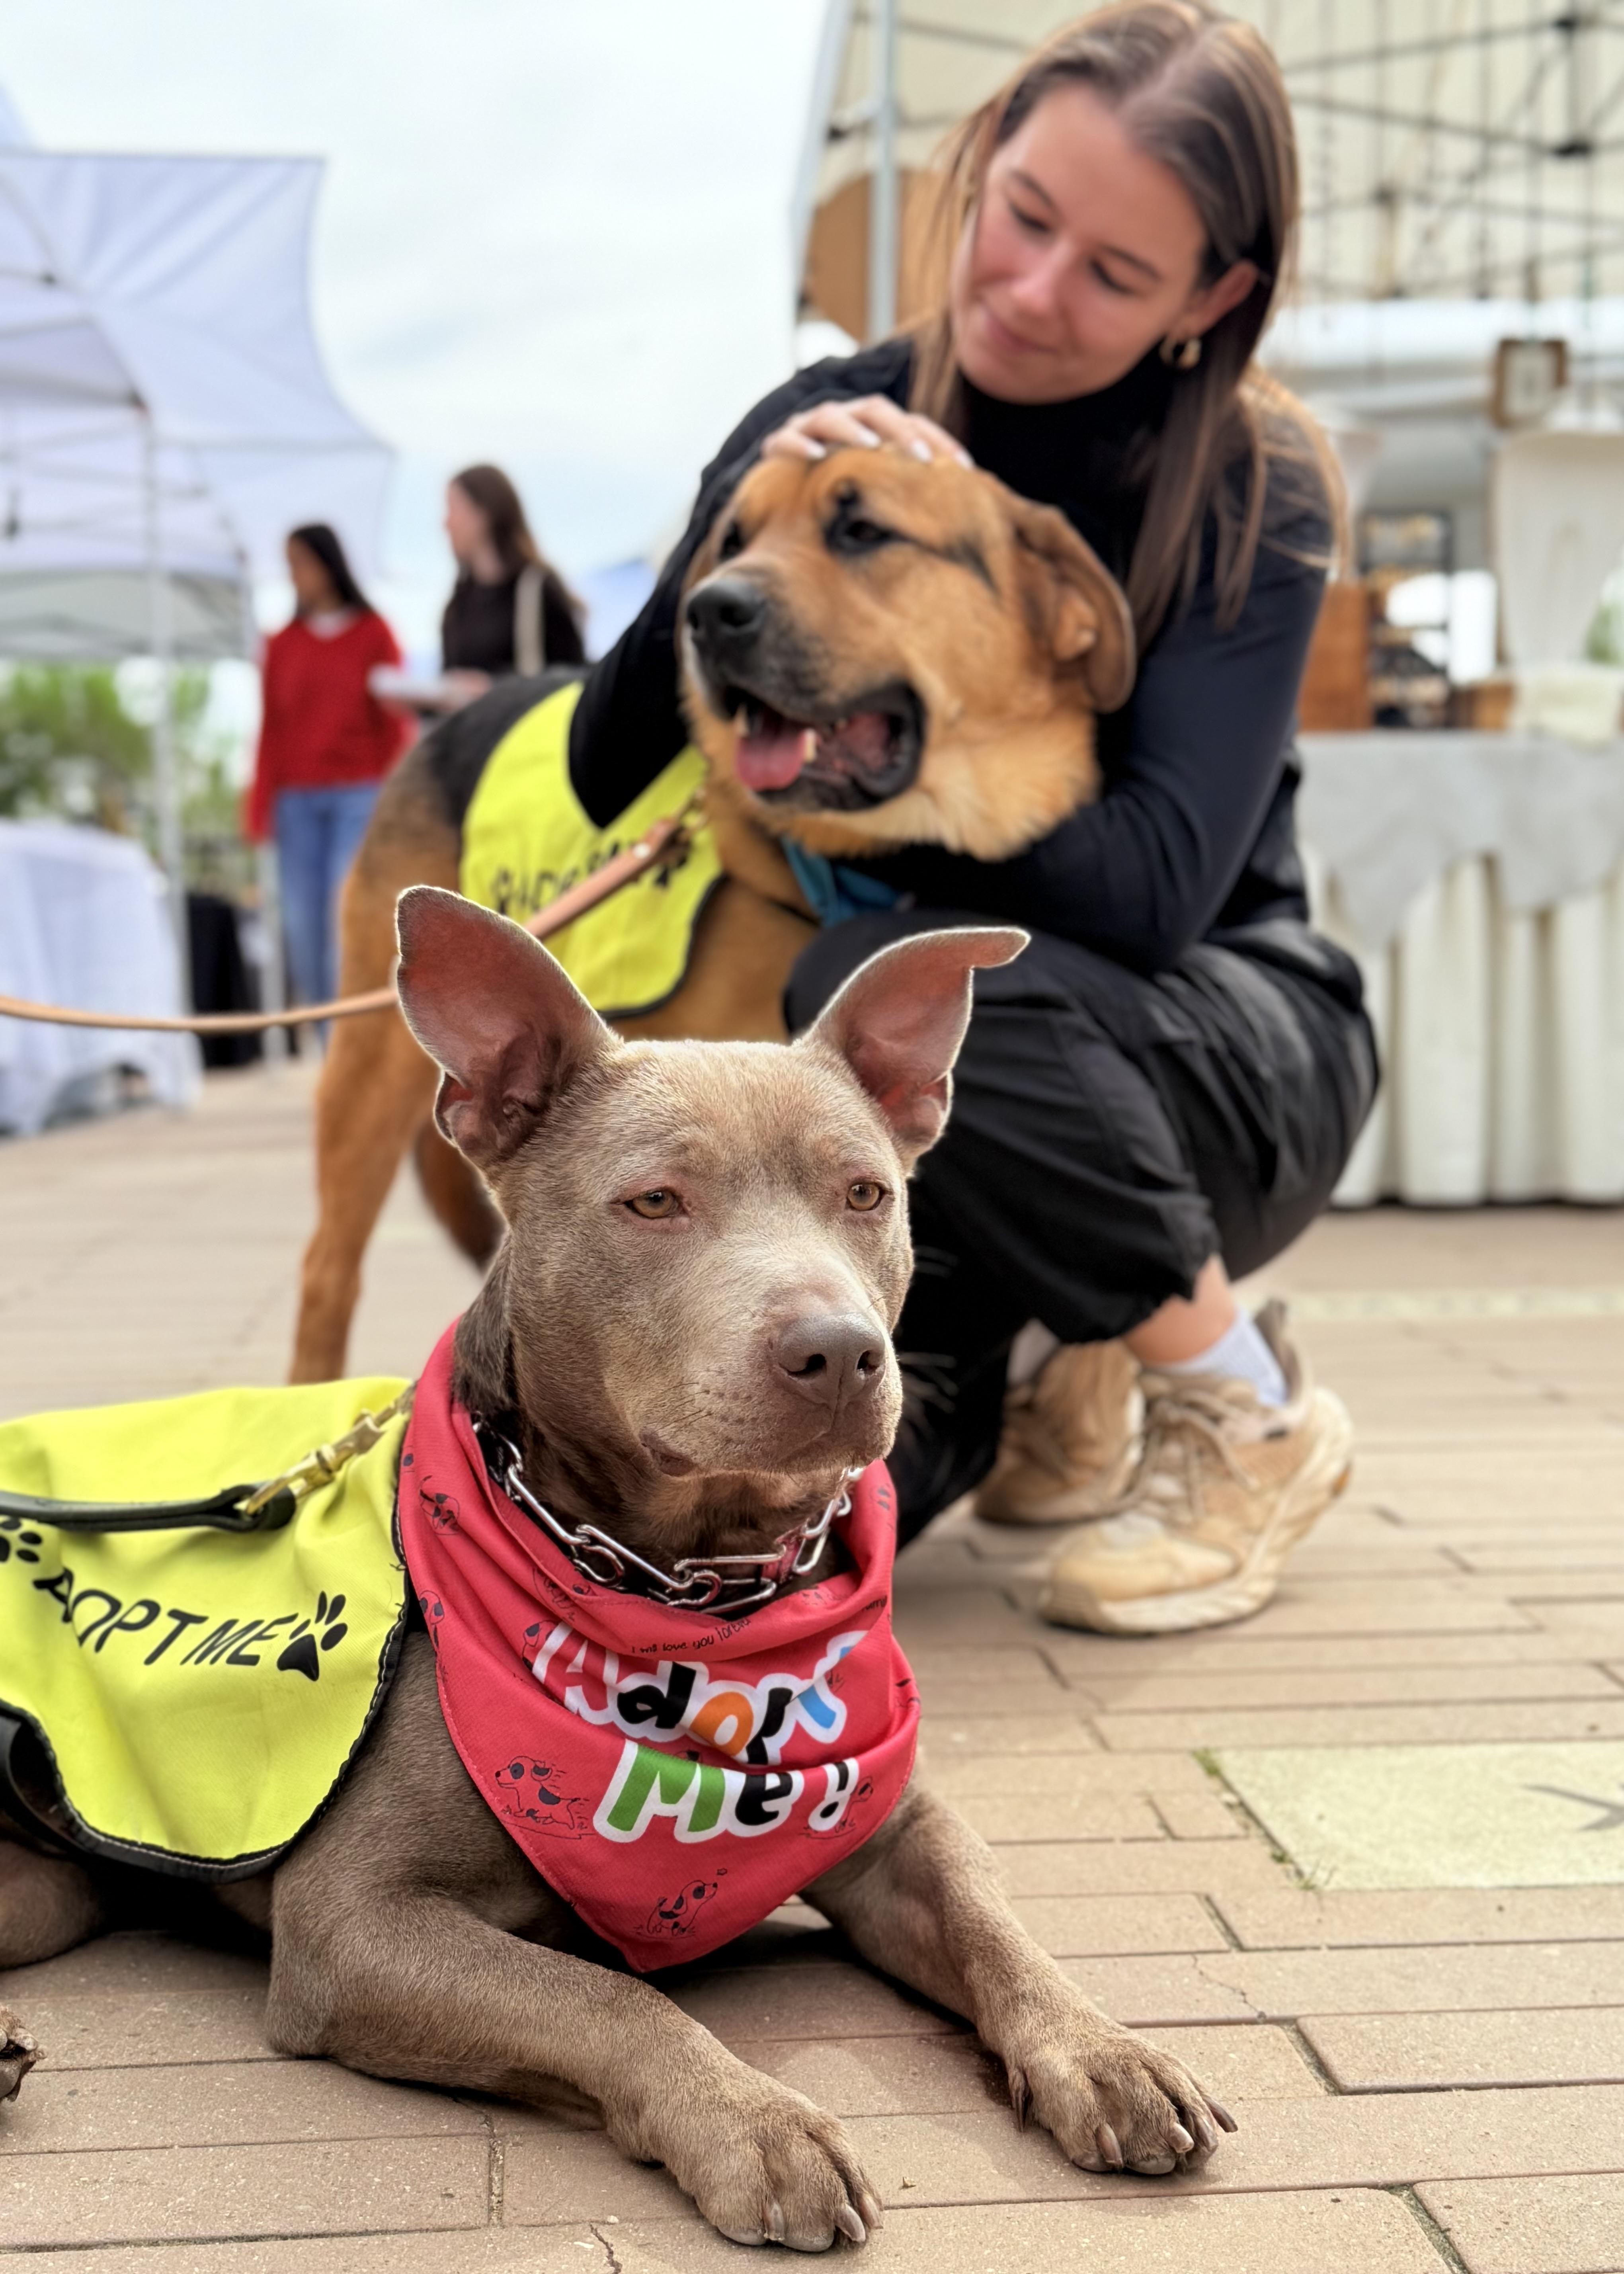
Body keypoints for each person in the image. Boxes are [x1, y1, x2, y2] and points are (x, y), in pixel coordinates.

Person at [566, 0, 1379, 1636]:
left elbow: (1154, 889)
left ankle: (1237, 1405)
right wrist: (748, 500)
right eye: (1024, 216)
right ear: (981, 163)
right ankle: (1061, 1362)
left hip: (1226, 1044)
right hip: (986, 1070)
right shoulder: (840, 417)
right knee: (819, 1534)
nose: (1029, 290)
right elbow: (609, 758)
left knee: (876, 990)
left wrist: (876, 797)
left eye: (1114, 273)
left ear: (1211, 298)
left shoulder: (1248, 479)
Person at [248, 525, 411, 1015]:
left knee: (345, 928)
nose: (294, 575)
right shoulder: (281, 644)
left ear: (328, 564)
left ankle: (346, 1050)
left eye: (301, 562)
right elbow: (271, 730)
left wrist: (394, 805)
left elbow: (393, 725)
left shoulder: (374, 633)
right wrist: (258, 808)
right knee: (302, 930)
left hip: (359, 798)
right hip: (295, 804)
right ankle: (327, 1049)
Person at [440, 464, 587, 699]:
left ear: (483, 514)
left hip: (526, 730)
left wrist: (492, 688)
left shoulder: (539, 588)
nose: (445, 524)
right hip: (474, 733)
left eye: (453, 509)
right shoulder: (460, 600)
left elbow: (574, 678)